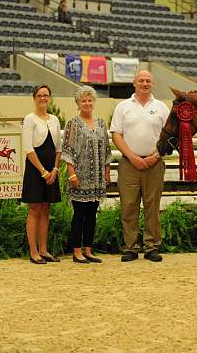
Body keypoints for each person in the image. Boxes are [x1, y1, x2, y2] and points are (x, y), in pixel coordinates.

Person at [110, 70, 169, 263]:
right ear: (134, 83)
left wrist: (156, 155)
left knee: (152, 206)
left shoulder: (161, 108)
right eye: (141, 80)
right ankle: (131, 247)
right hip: (129, 164)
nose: (145, 83)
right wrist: (132, 156)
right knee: (129, 206)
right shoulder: (123, 107)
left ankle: (151, 246)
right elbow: (116, 134)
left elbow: (168, 136)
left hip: (154, 163)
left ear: (152, 84)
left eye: (148, 81)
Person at [62, 86, 112, 264]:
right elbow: (67, 150)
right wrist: (72, 174)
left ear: (94, 102)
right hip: (80, 177)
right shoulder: (73, 124)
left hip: (97, 178)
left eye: (90, 100)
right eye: (83, 100)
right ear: (78, 103)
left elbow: (106, 149)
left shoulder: (100, 123)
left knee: (92, 215)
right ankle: (76, 251)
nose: (87, 103)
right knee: (79, 215)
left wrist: (107, 172)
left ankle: (89, 250)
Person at [21, 85, 62, 264]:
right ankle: (33, 252)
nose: (43, 98)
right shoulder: (29, 119)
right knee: (35, 208)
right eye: (39, 95)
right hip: (35, 169)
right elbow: (28, 148)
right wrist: (43, 171)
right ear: (34, 98)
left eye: (46, 95)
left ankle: (44, 250)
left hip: (51, 170)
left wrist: (54, 169)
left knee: (46, 208)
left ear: (50, 97)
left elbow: (59, 148)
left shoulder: (54, 120)